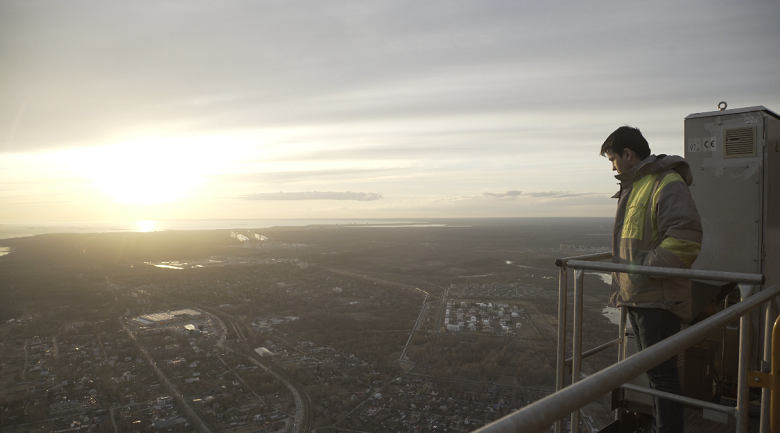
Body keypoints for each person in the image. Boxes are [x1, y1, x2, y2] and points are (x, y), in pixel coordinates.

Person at [601, 126, 702, 433]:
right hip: (638, 293)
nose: (613, 167)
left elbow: (685, 241)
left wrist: (643, 267)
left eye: (613, 159)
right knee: (655, 371)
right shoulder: (638, 185)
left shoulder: (665, 182)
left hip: (656, 297)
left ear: (628, 154)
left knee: (661, 373)